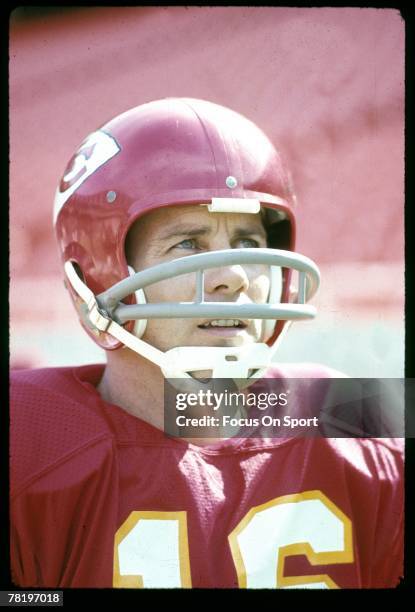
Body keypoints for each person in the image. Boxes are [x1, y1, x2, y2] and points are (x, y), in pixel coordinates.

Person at [10, 98, 403, 589]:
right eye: (188, 243)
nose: (233, 277)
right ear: (94, 275)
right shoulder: (29, 443)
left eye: (248, 244)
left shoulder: (358, 414)